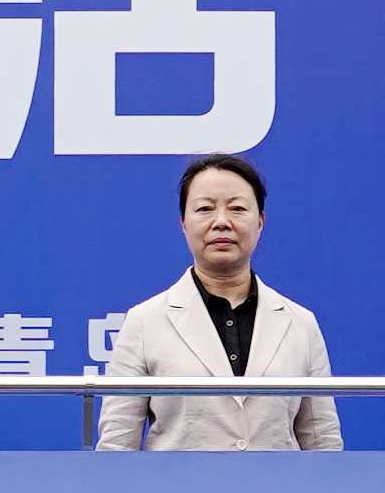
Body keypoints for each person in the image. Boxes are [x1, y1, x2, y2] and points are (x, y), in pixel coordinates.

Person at [96, 153, 340, 450]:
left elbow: (323, 443)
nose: (221, 222)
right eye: (205, 209)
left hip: (279, 482)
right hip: (177, 482)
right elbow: (117, 446)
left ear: (260, 222)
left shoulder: (301, 323)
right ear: (183, 223)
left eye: (237, 208)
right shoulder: (144, 323)